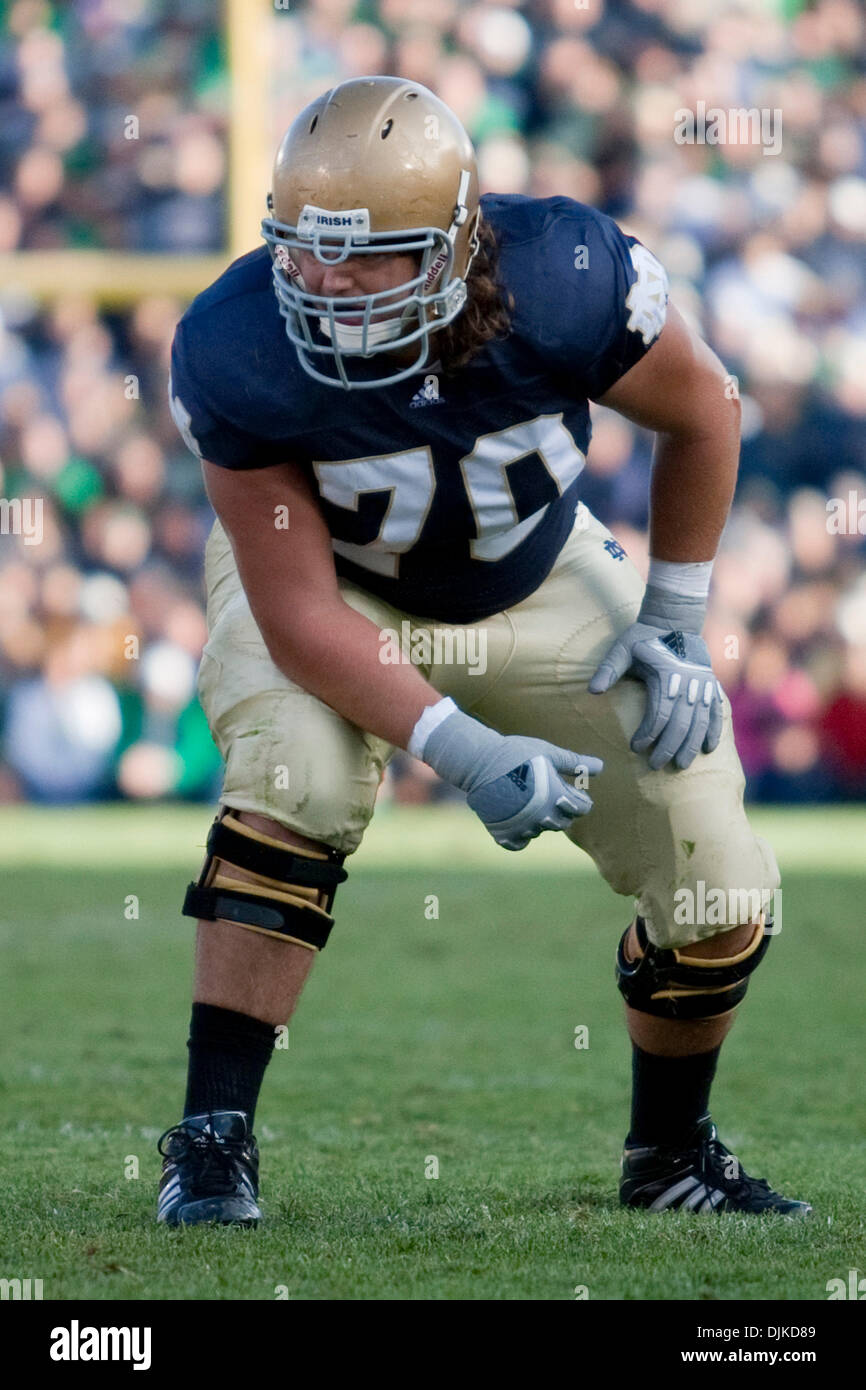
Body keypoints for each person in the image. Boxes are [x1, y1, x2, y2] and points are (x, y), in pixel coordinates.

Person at [157, 76, 810, 1227]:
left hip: (539, 570)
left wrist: (672, 619)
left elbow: (704, 409)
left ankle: (666, 1153)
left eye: (371, 258)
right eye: (302, 252)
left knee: (716, 872)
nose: (324, 284)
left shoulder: (566, 275)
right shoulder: (234, 340)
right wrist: (456, 748)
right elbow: (303, 614)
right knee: (294, 778)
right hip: (339, 585)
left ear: (458, 243)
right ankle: (211, 1141)